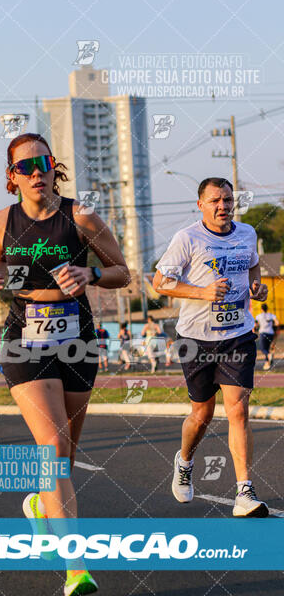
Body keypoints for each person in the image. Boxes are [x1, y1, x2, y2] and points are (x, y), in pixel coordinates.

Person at [0, 133, 129, 595]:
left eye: (42, 162)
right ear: (12, 177)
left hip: (78, 339)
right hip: (24, 336)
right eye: (24, 167)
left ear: (53, 166)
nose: (36, 172)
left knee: (63, 454)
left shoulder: (80, 216)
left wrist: (91, 273)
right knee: (51, 444)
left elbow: (124, 272)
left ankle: (41, 510)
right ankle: (76, 568)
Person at [153, 177, 269, 518]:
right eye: (216, 200)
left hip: (238, 333)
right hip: (197, 338)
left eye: (228, 199)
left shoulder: (247, 233)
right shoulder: (187, 238)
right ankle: (185, 460)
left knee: (237, 410)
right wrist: (201, 292)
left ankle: (244, 492)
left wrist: (256, 288)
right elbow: (160, 283)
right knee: (202, 415)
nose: (223, 206)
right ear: (201, 204)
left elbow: (252, 267)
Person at [254, 303, 280, 370]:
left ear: (261, 309)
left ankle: (268, 356)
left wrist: (255, 330)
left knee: (263, 349)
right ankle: (267, 363)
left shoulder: (258, 316)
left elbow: (255, 325)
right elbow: (277, 323)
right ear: (267, 308)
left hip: (263, 333)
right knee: (267, 348)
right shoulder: (272, 315)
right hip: (271, 333)